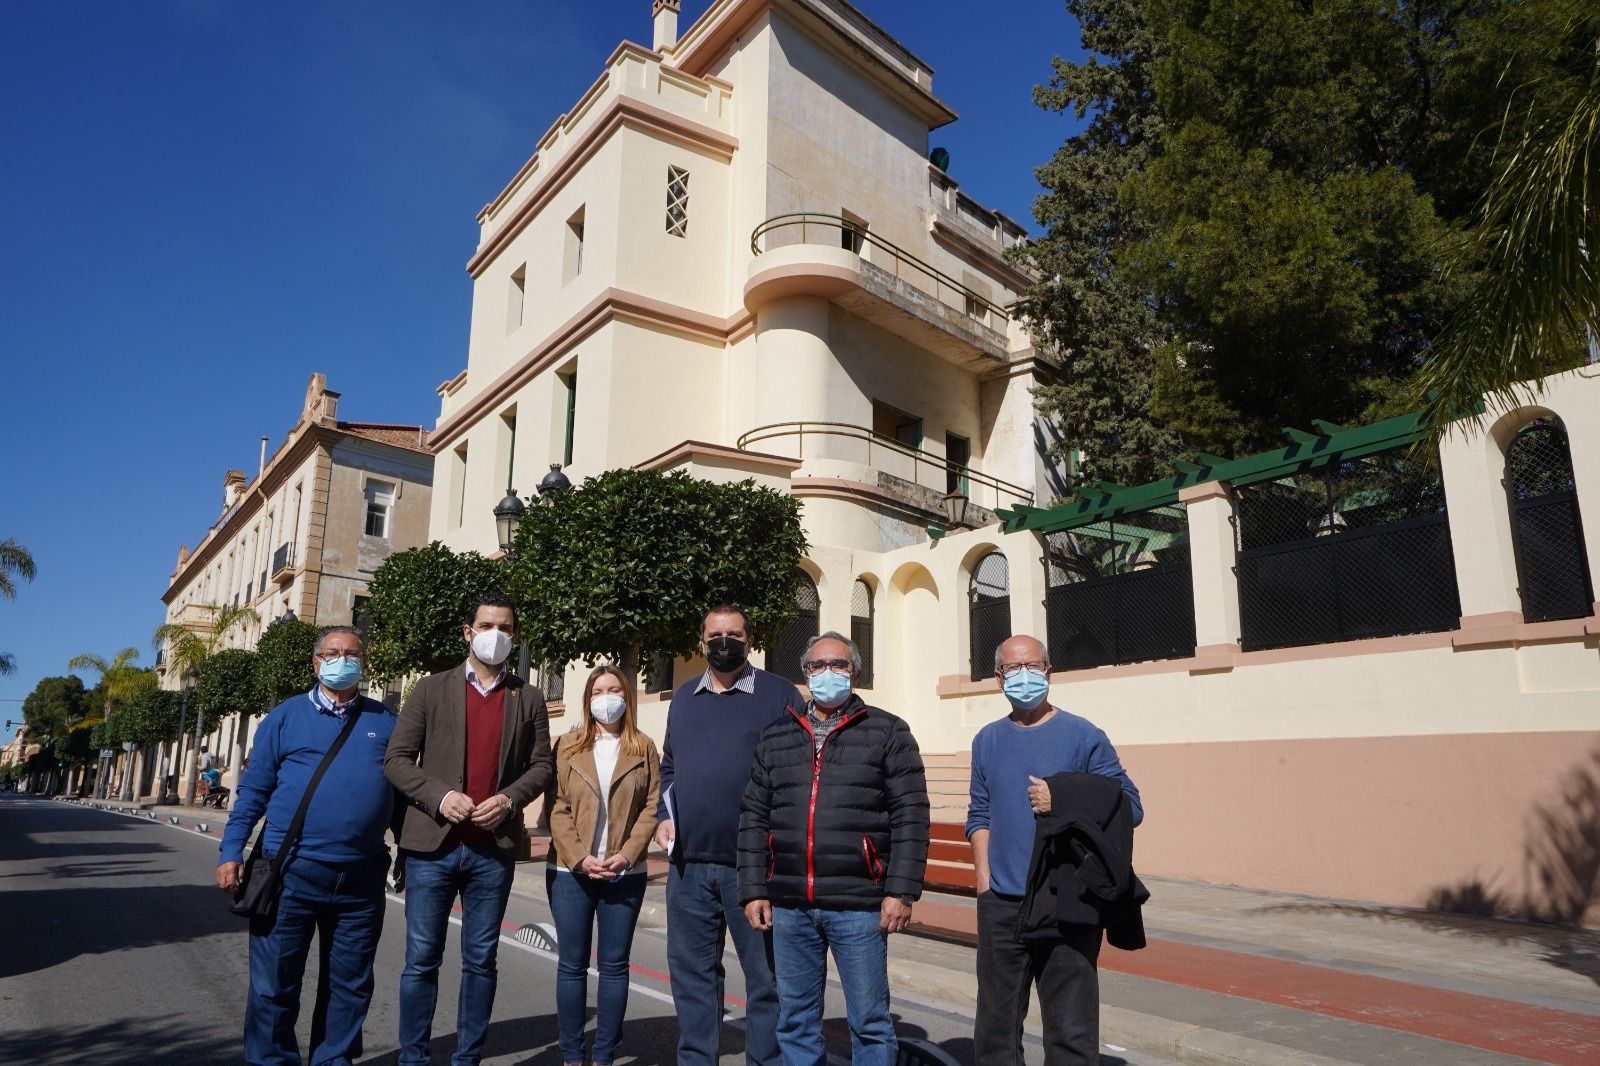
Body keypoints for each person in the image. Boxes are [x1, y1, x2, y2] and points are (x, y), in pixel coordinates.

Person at [738, 632, 929, 1066]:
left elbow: (911, 814)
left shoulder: (888, 731)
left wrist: (901, 891)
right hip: (790, 906)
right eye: (817, 665)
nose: (828, 673)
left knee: (871, 1023)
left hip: (859, 905)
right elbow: (754, 816)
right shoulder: (777, 735)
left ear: (855, 672)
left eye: (838, 665)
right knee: (796, 1022)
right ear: (805, 674)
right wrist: (753, 889)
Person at [384, 592, 554, 1066]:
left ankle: (467, 1057)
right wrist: (440, 796)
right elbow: (397, 760)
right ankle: (413, 1057)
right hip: (431, 846)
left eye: (504, 627)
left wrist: (509, 799)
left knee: (481, 962)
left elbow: (541, 766)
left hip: (492, 850)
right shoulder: (430, 689)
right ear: (468, 631)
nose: (495, 635)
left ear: (514, 635)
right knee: (421, 959)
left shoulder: (530, 697)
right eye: (486, 626)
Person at [216, 625, 399, 1066]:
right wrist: (230, 852)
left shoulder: (386, 722)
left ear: (364, 663)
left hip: (361, 879)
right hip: (289, 873)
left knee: (350, 986)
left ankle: (333, 1060)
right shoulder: (284, 717)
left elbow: (403, 797)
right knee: (274, 985)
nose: (342, 660)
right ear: (316, 662)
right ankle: (271, 1060)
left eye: (352, 654)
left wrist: (411, 852)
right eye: (333, 652)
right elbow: (253, 793)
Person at [966, 634, 1144, 1066]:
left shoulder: (1084, 735)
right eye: (1013, 669)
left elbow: (1130, 805)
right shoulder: (987, 740)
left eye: (1033, 667)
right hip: (1003, 903)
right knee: (995, 1031)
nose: (1024, 677)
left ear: (1048, 673)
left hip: (1068, 901)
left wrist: (1061, 798)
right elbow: (980, 814)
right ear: (998, 677)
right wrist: (985, 883)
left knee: (1070, 1032)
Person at [656, 604, 794, 1066]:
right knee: (693, 979)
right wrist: (663, 814)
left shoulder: (779, 695)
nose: (723, 642)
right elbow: (670, 767)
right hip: (688, 866)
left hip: (754, 870)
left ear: (749, 640)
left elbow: (796, 773)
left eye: (733, 634)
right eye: (715, 634)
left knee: (767, 982)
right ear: (701, 641)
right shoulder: (683, 698)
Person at [544, 665, 661, 1066]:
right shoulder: (567, 745)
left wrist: (627, 854)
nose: (606, 698)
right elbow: (556, 807)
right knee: (572, 965)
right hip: (569, 872)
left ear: (626, 698)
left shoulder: (643, 747)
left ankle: (605, 1054)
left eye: (615, 690)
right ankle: (572, 1055)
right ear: (587, 698)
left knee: (614, 966)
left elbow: (652, 807)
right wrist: (579, 857)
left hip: (624, 873)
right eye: (598, 690)